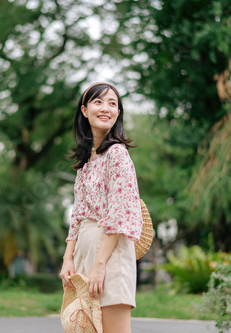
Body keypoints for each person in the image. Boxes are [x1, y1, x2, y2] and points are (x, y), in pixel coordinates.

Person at [60, 82, 143, 333]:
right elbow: (78, 215)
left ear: (118, 113)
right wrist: (67, 258)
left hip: (109, 254)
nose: (105, 108)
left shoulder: (117, 154)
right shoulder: (87, 161)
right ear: (84, 110)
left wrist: (100, 265)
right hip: (86, 255)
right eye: (98, 102)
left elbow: (119, 214)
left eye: (112, 103)